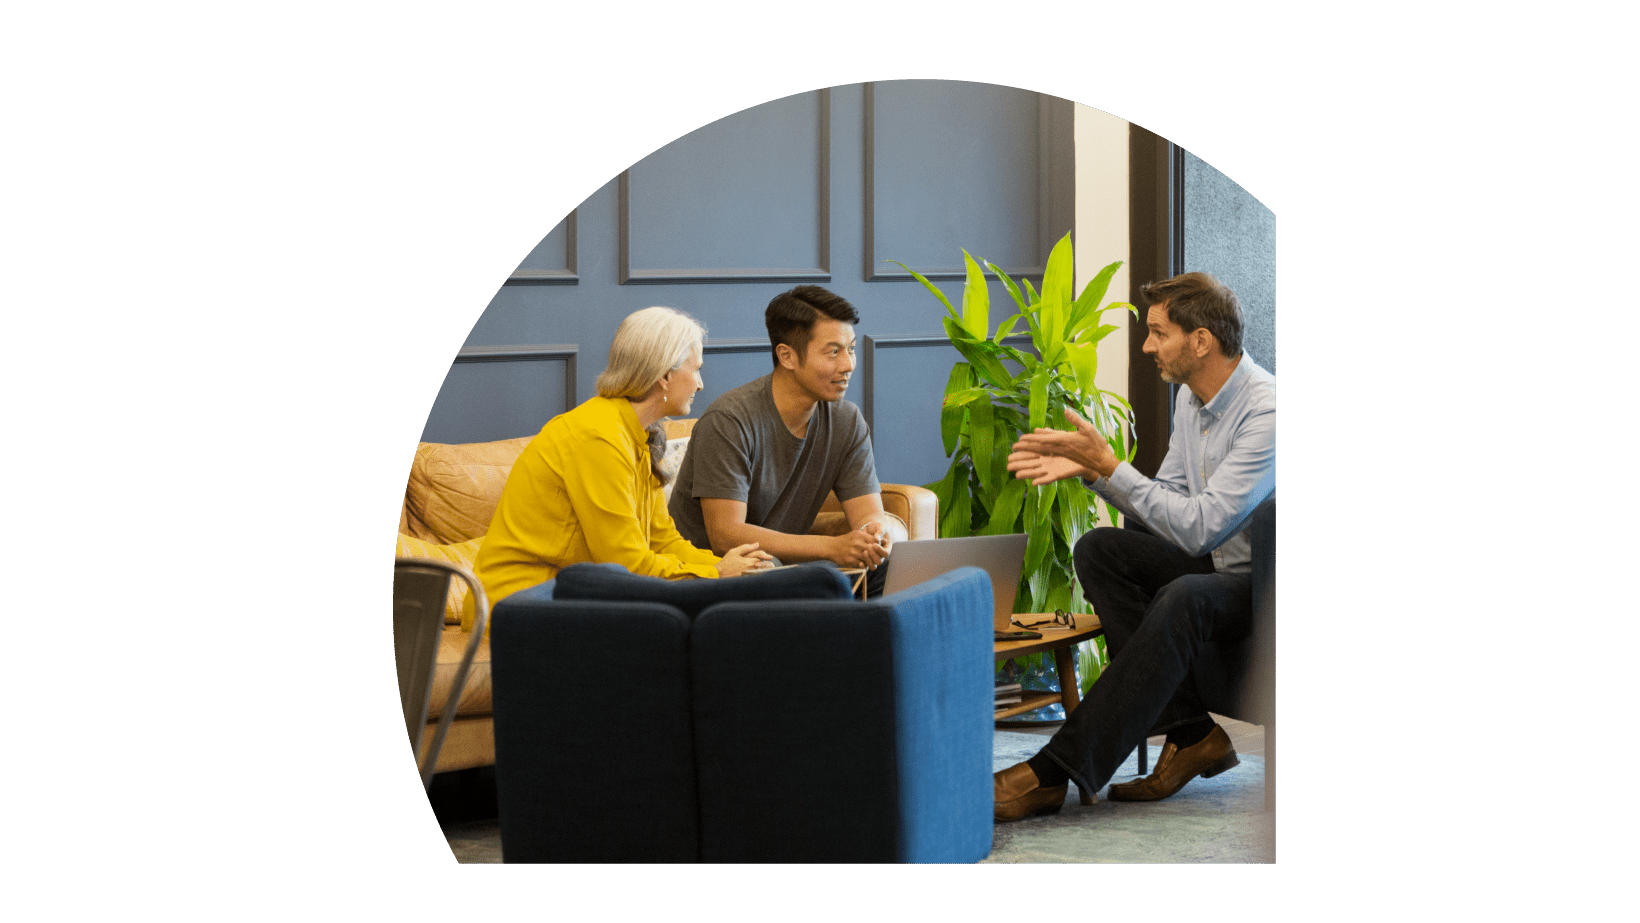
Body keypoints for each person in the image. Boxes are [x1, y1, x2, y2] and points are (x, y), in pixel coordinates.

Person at [993, 271, 1275, 821]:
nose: (1146, 346)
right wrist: (1096, 475)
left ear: (1201, 340)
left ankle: (1056, 771)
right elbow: (1168, 496)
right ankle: (1192, 732)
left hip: (1263, 584)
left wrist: (1111, 467)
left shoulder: (1267, 411)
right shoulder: (1192, 402)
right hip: (1214, 562)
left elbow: (1201, 528)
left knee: (1187, 596)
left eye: (1157, 332)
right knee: (1100, 549)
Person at [473, 306, 773, 609]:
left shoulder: (638, 435)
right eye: (695, 369)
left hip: (571, 596)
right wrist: (714, 574)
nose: (700, 383)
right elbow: (625, 563)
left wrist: (734, 568)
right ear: (665, 376)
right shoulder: (598, 436)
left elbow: (662, 539)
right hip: (521, 603)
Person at [667, 285, 906, 594]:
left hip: (787, 569)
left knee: (891, 567)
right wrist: (832, 547)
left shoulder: (846, 421)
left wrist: (873, 534)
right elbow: (725, 535)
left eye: (851, 349)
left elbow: (868, 513)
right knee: (782, 573)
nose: (848, 364)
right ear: (787, 356)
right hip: (720, 574)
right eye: (833, 352)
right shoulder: (730, 420)